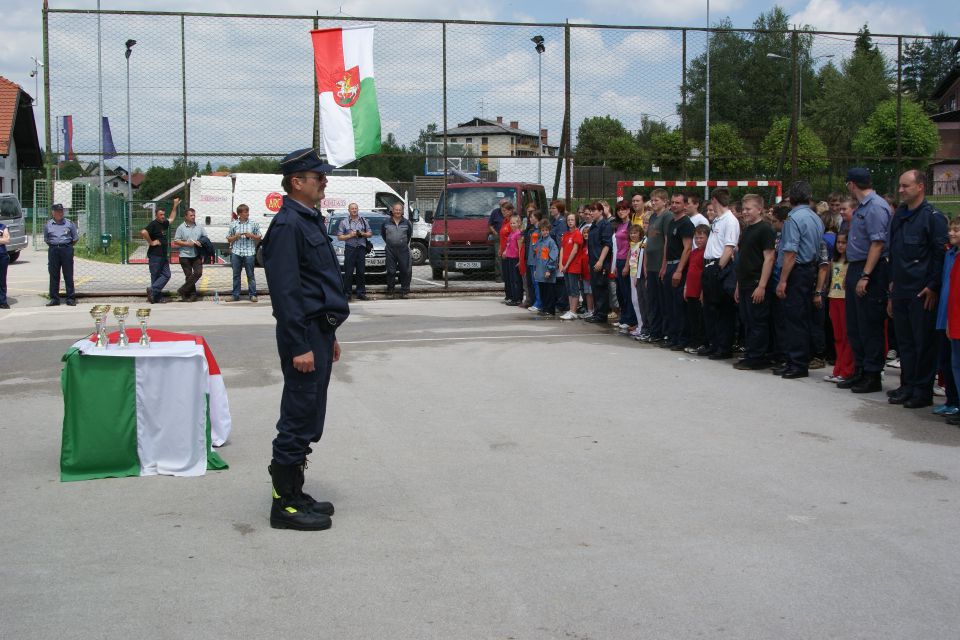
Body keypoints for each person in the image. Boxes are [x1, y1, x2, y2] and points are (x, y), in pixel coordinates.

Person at [260, 148, 347, 532]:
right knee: (298, 415)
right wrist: (300, 345)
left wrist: (330, 335)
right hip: (303, 333)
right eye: (318, 176)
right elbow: (287, 294)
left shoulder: (309, 220)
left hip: (318, 331)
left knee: (310, 415)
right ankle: (285, 506)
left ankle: (295, 492)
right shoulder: (287, 226)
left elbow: (318, 284)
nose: (324, 181)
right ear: (298, 182)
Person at [886, 170, 948, 409]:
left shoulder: (933, 218)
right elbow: (896, 253)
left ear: (920, 186)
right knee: (905, 342)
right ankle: (907, 385)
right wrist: (892, 286)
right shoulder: (900, 215)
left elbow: (938, 256)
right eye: (900, 186)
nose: (901, 190)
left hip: (921, 291)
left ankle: (922, 390)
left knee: (923, 343)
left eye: (905, 186)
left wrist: (932, 286)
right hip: (901, 288)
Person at [838, 168, 891, 394]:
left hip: (870, 268)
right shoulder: (862, 207)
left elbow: (877, 244)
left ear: (851, 184)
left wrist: (865, 275)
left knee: (869, 325)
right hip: (856, 265)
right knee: (856, 324)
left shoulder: (876, 206)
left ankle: (872, 374)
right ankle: (859, 370)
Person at [773, 182, 824, 379]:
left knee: (794, 319)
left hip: (796, 271)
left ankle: (796, 363)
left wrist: (783, 280)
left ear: (791, 198)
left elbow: (790, 253)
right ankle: (799, 360)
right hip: (809, 269)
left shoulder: (793, 218)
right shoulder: (815, 217)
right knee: (802, 318)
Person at [733, 194, 776, 370]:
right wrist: (737, 285)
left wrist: (762, 285)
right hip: (744, 282)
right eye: (743, 209)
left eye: (748, 209)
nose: (745, 212)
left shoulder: (765, 229)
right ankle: (751, 353)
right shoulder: (747, 230)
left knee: (757, 321)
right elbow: (742, 258)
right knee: (748, 320)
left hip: (756, 282)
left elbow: (769, 258)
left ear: (760, 209)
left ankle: (758, 357)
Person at [701, 188, 740, 359]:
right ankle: (714, 343)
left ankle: (724, 347)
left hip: (720, 266)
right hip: (709, 264)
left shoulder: (729, 220)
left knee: (722, 310)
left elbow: (729, 247)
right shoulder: (717, 220)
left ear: (715, 200)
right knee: (711, 309)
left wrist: (719, 268)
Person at [660, 193, 694, 349]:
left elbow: (687, 248)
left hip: (680, 266)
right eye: (672, 202)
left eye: (678, 203)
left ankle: (682, 339)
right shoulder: (671, 222)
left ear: (685, 205)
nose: (674, 205)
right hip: (670, 265)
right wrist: (664, 266)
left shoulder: (686, 223)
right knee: (670, 305)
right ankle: (672, 336)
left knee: (679, 305)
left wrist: (679, 270)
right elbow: (667, 245)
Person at [934, 219, 960, 415]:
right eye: (950, 229)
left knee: (956, 362)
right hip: (945, 314)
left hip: (955, 317)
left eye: (956, 230)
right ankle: (951, 399)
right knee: (946, 362)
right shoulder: (949, 254)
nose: (951, 233)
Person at [825, 233, 854, 383]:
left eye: (844, 242)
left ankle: (846, 370)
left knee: (846, 336)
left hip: (845, 300)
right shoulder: (833, 260)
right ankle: (838, 369)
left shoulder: (852, 262)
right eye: (839, 242)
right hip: (833, 298)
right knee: (837, 336)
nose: (841, 245)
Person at [642, 190, 670, 341]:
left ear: (665, 201)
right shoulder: (652, 217)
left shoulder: (667, 217)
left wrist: (664, 265)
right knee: (652, 301)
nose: (653, 203)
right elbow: (648, 243)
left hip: (660, 264)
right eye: (652, 200)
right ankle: (655, 331)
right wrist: (645, 266)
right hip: (651, 265)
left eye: (656, 200)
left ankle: (664, 332)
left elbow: (666, 242)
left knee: (662, 301)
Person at [141, 198, 179, 304]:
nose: (163, 216)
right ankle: (156, 297)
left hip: (163, 255)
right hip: (155, 255)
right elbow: (143, 232)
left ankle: (153, 291)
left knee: (166, 275)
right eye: (161, 215)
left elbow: (171, 218)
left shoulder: (163, 223)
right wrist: (151, 242)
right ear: (156, 215)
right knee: (156, 276)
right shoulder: (153, 224)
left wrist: (175, 205)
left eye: (163, 214)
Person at [44, 203, 79, 306]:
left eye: (61, 211)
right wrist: (56, 246)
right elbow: (47, 239)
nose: (60, 213)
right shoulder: (48, 224)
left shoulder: (69, 223)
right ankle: (54, 298)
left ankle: (70, 298)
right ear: (53, 213)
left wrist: (66, 246)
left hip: (66, 249)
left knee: (68, 274)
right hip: (54, 250)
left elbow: (75, 238)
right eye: (58, 211)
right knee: (54, 274)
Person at [336, 202, 372, 300]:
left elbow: (370, 233)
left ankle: (361, 293)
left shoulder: (363, 221)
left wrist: (362, 234)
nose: (354, 210)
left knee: (361, 271)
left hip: (361, 249)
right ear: (349, 210)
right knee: (348, 272)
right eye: (352, 208)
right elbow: (339, 237)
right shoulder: (344, 222)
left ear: (358, 209)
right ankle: (347, 294)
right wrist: (350, 235)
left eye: (356, 208)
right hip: (350, 249)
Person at [227, 203, 261, 302]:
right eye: (245, 212)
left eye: (247, 212)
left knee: (250, 274)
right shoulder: (233, 224)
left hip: (249, 252)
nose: (247, 214)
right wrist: (235, 237)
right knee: (236, 275)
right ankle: (235, 295)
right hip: (236, 252)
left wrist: (251, 235)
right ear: (239, 214)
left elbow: (259, 237)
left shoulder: (253, 223)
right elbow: (228, 239)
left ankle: (253, 294)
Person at [684, 224, 709, 352]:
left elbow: (704, 273)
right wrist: (686, 287)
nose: (698, 240)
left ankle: (701, 342)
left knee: (700, 319)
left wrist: (703, 292)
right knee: (692, 318)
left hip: (699, 290)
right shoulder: (694, 252)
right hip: (691, 289)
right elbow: (689, 270)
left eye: (701, 238)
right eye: (696, 238)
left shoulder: (707, 253)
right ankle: (694, 341)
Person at [585, 201, 612, 324]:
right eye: (590, 211)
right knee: (595, 288)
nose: (591, 213)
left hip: (601, 263)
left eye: (593, 210)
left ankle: (601, 315)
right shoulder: (593, 225)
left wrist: (601, 261)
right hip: (592, 262)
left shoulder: (605, 225)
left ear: (601, 211)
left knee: (601, 288)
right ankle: (597, 312)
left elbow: (607, 244)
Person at [612, 201, 637, 332]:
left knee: (627, 292)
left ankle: (630, 319)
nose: (621, 212)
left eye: (623, 209)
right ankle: (623, 317)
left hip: (627, 261)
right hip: (619, 260)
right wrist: (617, 265)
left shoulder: (630, 225)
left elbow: (630, 247)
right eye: (619, 210)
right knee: (621, 292)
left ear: (628, 210)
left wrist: (627, 265)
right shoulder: (619, 225)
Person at [172, 207, 206, 302]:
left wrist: (200, 241)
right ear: (186, 216)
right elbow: (176, 241)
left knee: (198, 273)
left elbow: (205, 237)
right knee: (189, 275)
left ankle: (183, 290)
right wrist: (187, 244)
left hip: (196, 254)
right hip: (184, 255)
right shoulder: (181, 228)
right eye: (191, 215)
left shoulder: (199, 226)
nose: (193, 217)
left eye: (194, 215)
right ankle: (192, 295)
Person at [381, 202, 413, 298]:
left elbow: (409, 234)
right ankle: (390, 291)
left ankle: (405, 291)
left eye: (400, 210)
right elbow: (383, 235)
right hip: (390, 250)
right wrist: (391, 242)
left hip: (403, 250)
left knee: (404, 270)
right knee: (391, 271)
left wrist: (402, 243)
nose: (398, 211)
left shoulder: (407, 223)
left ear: (402, 211)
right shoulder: (386, 223)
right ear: (392, 211)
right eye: (396, 209)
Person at [559, 212, 584, 320]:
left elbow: (574, 251)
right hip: (565, 266)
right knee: (568, 288)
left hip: (573, 266)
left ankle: (574, 311)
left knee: (574, 289)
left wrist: (567, 264)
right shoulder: (565, 234)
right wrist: (560, 263)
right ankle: (570, 309)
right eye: (568, 220)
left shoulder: (577, 233)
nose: (570, 222)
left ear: (576, 221)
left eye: (572, 220)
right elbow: (562, 249)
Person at [533, 218, 559, 316]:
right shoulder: (539, 242)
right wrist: (536, 269)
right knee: (543, 290)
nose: (545, 232)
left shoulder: (551, 242)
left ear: (549, 230)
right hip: (540, 271)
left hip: (547, 272)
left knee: (549, 292)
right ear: (540, 231)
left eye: (547, 230)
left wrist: (549, 269)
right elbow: (537, 257)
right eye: (543, 230)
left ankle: (550, 309)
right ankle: (544, 308)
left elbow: (553, 257)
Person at [627, 224, 646, 338]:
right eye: (631, 233)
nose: (633, 235)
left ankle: (642, 325)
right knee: (634, 301)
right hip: (632, 273)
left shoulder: (642, 244)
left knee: (638, 301)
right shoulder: (632, 244)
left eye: (635, 233)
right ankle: (640, 325)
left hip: (637, 275)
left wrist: (637, 277)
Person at [502, 214, 523, 306]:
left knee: (516, 279)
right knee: (511, 279)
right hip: (509, 258)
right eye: (511, 223)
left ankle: (517, 298)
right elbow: (509, 244)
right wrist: (505, 252)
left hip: (515, 258)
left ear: (518, 223)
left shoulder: (518, 234)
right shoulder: (511, 233)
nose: (512, 225)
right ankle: (512, 297)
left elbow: (520, 247)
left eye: (514, 223)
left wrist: (520, 260)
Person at [488, 198, 510, 283]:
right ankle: (498, 276)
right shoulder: (495, 212)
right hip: (498, 237)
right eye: (501, 205)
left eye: (504, 205)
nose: (502, 207)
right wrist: (494, 232)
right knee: (498, 256)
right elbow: (490, 224)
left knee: (509, 256)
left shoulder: (511, 214)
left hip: (509, 237)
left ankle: (507, 276)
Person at [0, 219, 9, 308]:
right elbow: (3, 239)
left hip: (2, 256)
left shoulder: (3, 226)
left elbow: (6, 240)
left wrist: (3, 239)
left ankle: (3, 301)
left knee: (2, 280)